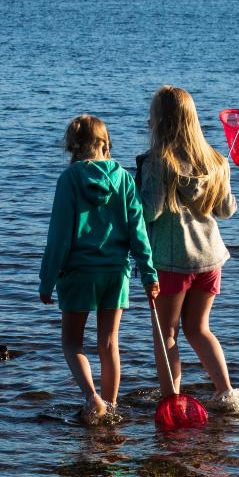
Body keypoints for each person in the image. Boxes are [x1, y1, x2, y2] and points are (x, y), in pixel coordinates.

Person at [138, 86, 239, 413]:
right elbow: (226, 210)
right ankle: (227, 392)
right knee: (199, 329)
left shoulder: (159, 163)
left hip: (171, 261)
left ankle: (171, 400)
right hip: (209, 259)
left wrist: (129, 199)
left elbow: (150, 211)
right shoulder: (216, 160)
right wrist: (222, 179)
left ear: (160, 121)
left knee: (167, 335)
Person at [40, 115, 159, 425]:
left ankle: (93, 398)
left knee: (72, 343)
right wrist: (149, 273)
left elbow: (59, 234)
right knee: (109, 343)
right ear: (106, 144)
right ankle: (112, 405)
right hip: (115, 273)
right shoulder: (123, 178)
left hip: (78, 272)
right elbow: (138, 230)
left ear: (72, 148)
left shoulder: (69, 180)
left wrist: (47, 279)